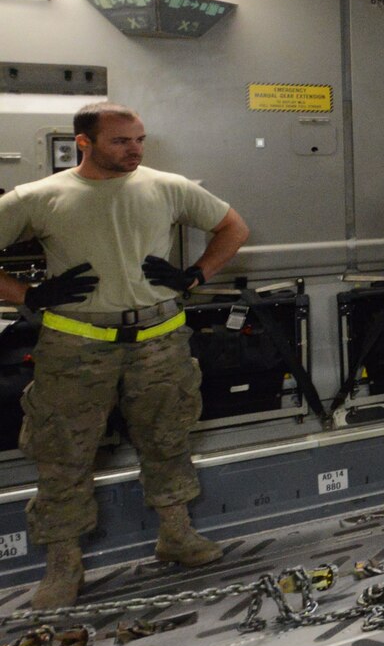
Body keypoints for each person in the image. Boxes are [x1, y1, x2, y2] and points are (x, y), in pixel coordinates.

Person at [0, 102, 250, 608]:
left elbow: (233, 229)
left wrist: (195, 275)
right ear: (84, 144)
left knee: (168, 437)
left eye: (139, 139)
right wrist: (27, 296)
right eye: (121, 141)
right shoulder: (39, 197)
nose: (135, 149)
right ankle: (63, 566)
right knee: (63, 452)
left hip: (159, 339)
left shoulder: (168, 186)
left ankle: (175, 535)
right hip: (77, 345)